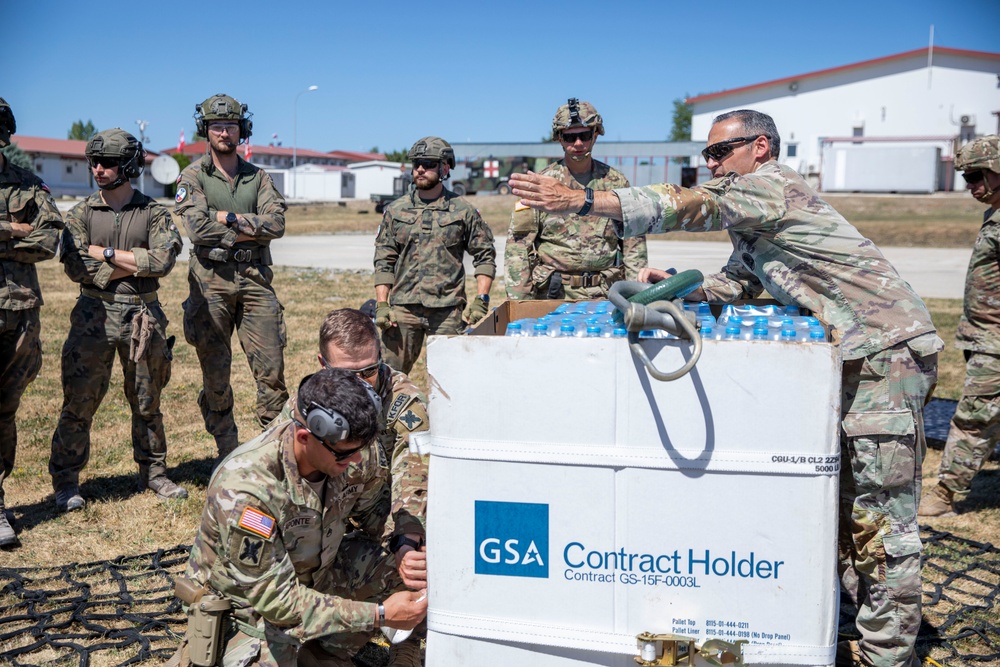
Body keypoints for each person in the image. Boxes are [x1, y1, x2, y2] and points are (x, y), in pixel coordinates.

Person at [511, 109, 942, 667]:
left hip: (887, 353)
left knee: (881, 513)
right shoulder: (755, 214)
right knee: (838, 504)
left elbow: (695, 205)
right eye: (706, 156)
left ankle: (885, 655)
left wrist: (584, 201)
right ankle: (850, 617)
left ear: (759, 147)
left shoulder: (770, 187)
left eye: (720, 153)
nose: (711, 165)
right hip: (858, 352)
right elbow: (737, 280)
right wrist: (678, 285)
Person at [172, 368, 427, 667]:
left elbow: (375, 515)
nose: (357, 459)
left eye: (360, 450)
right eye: (346, 455)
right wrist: (380, 614)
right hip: (249, 613)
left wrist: (405, 544)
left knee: (409, 570)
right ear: (305, 437)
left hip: (315, 578)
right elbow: (277, 603)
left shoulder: (347, 448)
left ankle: (324, 654)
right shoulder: (247, 491)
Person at [277, 308, 429, 665]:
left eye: (370, 371)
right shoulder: (308, 403)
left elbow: (416, 470)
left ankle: (407, 644)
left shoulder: (402, 398)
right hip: (322, 526)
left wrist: (406, 538)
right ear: (321, 363)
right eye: (348, 374)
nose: (362, 384)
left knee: (421, 561)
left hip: (385, 516)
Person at [51, 129, 186, 512]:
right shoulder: (80, 213)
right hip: (93, 316)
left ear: (127, 165)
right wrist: (132, 261)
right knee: (79, 401)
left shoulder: (154, 212)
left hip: (143, 317)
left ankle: (154, 473)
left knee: (147, 400)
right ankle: (65, 481)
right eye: (93, 162)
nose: (98, 169)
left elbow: (161, 262)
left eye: (107, 162)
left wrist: (104, 252)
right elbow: (77, 266)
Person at [175, 93, 288, 460]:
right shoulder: (191, 176)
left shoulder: (258, 177)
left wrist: (227, 218)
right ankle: (227, 449)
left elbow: (277, 224)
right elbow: (196, 228)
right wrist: (248, 227)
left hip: (255, 278)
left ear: (243, 129)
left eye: (231, 125)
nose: (224, 132)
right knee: (216, 373)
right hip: (211, 280)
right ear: (205, 131)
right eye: (216, 126)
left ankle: (273, 451)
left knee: (271, 370)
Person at [919, 135, 1000, 518]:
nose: (969, 185)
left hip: (996, 342)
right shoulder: (993, 215)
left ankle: (945, 495)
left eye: (975, 175)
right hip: (984, 336)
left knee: (975, 417)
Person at [373, 136, 496, 374]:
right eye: (416, 163)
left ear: (445, 167)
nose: (420, 169)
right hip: (403, 310)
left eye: (429, 163)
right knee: (390, 378)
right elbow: (384, 259)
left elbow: (484, 256)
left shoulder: (463, 211)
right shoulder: (395, 211)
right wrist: (381, 304)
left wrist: (482, 300)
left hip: (447, 310)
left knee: (451, 380)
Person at [505, 98, 646, 299]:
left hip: (607, 294)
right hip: (554, 294)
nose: (578, 143)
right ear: (560, 138)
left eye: (585, 135)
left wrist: (637, 296)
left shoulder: (616, 183)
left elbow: (634, 244)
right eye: (570, 138)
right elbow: (518, 248)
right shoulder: (541, 184)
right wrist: (521, 303)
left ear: (595, 135)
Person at [0, 97, 63, 545]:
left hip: (16, 315)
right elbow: (29, 236)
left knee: (4, 409)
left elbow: (49, 239)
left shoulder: (26, 185)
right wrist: (12, 232)